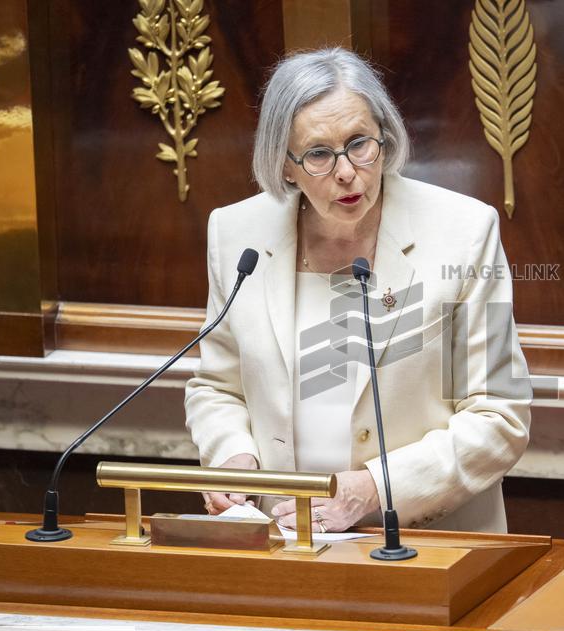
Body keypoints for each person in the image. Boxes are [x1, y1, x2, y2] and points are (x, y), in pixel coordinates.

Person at [184, 48, 532, 534]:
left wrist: (374, 487)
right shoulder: (236, 232)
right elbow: (218, 386)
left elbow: (499, 414)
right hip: (284, 543)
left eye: (359, 144)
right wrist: (232, 456)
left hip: (429, 543)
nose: (346, 171)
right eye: (319, 154)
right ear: (285, 165)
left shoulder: (465, 233)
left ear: (384, 141)